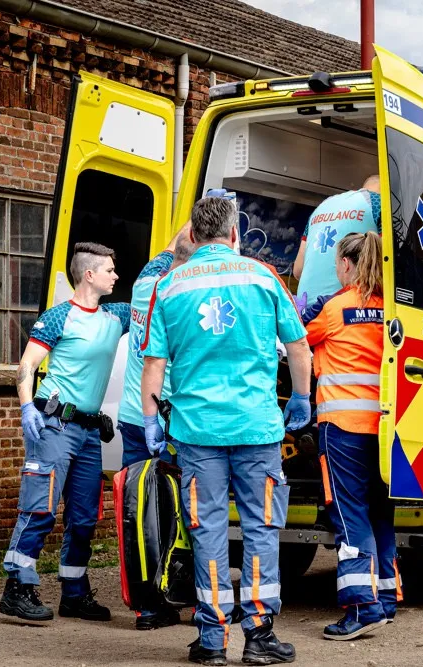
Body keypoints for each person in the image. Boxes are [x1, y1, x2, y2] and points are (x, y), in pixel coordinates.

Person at [141, 196, 312, 666]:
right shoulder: (262, 277)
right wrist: (301, 398)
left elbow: (154, 361)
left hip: (198, 433)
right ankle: (259, 637)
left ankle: (212, 640)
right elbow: (298, 347)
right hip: (257, 429)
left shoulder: (170, 285)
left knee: (207, 529)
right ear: (235, 235)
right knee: (261, 528)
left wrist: (151, 419)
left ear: (193, 236)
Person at [0, 242, 130, 623]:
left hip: (88, 431)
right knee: (40, 507)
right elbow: (26, 366)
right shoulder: (59, 318)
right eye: (110, 270)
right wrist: (26, 407)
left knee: (85, 517)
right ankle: (17, 589)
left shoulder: (116, 316)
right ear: (89, 274)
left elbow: (154, 293)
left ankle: (73, 594)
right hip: (53, 424)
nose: (116, 276)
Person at [302, 231, 402, 640]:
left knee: (349, 515)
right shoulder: (391, 310)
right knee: (379, 513)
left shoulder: (335, 309)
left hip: (342, 429)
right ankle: (386, 596)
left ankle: (362, 607)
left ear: (346, 264)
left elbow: (296, 342)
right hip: (383, 431)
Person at [116, 224, 194, 631]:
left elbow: (170, 249)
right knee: (182, 513)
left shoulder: (146, 282)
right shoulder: (182, 294)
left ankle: (146, 606)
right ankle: (191, 598)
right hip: (168, 421)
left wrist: (193, 222)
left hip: (133, 417)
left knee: (137, 512)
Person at [293, 175, 381, 312]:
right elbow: (389, 264)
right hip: (347, 312)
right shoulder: (378, 204)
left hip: (306, 313)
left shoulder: (321, 207)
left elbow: (298, 270)